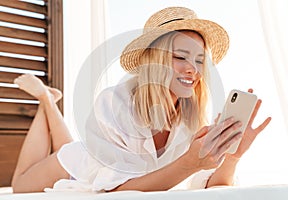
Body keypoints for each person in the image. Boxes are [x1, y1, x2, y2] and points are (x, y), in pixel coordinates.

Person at [11, 6, 271, 193]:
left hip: (100, 156)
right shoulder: (115, 103)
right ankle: (45, 98)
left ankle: (49, 99)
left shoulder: (191, 118)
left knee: (71, 144)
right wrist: (189, 163)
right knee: (20, 185)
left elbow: (207, 184)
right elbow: (120, 190)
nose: (193, 68)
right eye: (181, 57)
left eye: (200, 60)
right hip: (81, 162)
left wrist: (233, 158)